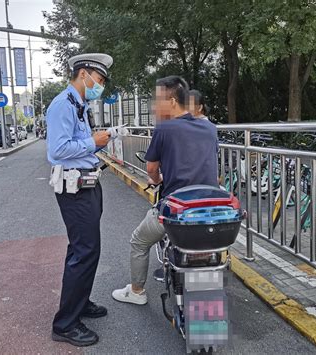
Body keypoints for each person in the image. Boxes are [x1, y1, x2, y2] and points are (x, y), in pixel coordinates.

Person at [112, 75, 219, 305]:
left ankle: (137, 291)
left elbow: (151, 169)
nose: (154, 106)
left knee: (139, 241)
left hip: (177, 210)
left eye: (157, 100)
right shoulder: (210, 128)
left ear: (171, 102)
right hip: (210, 208)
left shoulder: (165, 128)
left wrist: (158, 178)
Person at [46, 53, 113, 347]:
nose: (99, 87)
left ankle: (80, 302)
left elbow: (78, 146)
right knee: (83, 251)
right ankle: (65, 324)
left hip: (87, 183)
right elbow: (58, 149)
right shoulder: (63, 103)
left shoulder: (79, 105)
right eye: (98, 80)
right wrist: (93, 142)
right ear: (83, 73)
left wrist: (97, 144)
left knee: (87, 249)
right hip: (73, 187)